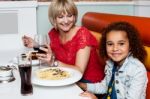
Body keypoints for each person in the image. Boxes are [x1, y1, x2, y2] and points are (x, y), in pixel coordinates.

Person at [22, 0, 105, 83]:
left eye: (69, 15)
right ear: (54, 19)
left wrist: (54, 63)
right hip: (67, 76)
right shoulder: (54, 33)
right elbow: (54, 54)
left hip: (88, 82)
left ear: (74, 16)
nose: (66, 21)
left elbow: (79, 70)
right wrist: (36, 45)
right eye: (60, 17)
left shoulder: (83, 34)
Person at [78, 21, 148, 99]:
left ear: (131, 45)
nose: (115, 48)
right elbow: (104, 87)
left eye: (121, 44)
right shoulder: (110, 64)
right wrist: (82, 85)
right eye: (110, 44)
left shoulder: (138, 70)